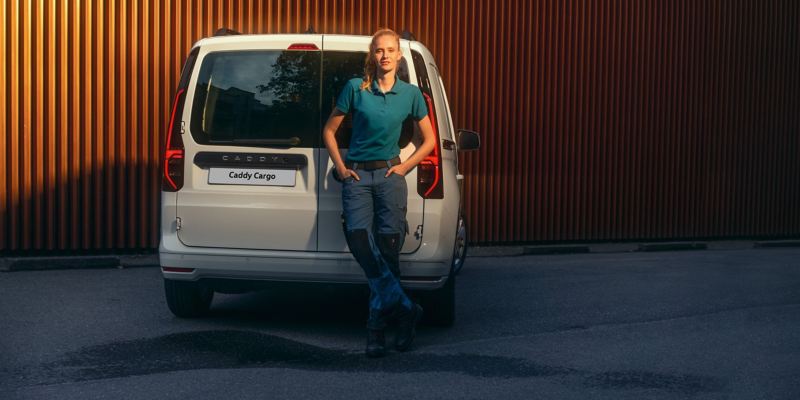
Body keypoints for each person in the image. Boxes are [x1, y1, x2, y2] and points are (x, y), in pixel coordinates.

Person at [322, 28, 437, 358]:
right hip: (357, 175)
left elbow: (428, 140)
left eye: (390, 50)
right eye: (378, 50)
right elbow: (329, 130)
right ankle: (406, 309)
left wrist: (404, 166)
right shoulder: (356, 89)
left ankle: (378, 327)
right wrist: (342, 168)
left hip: (390, 177)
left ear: (399, 56)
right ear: (371, 56)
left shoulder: (410, 94)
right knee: (360, 242)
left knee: (388, 251)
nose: (384, 55)